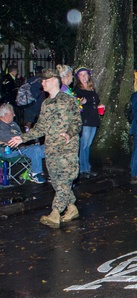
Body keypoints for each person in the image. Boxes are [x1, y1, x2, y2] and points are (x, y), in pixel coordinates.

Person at [6, 68, 82, 228]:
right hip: (51, 148)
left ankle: (55, 213)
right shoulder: (46, 104)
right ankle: (72, 207)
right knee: (56, 180)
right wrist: (22, 137)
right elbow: (40, 128)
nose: (42, 83)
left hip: (66, 149)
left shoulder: (68, 101)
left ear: (54, 81)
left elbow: (77, 122)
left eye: (45, 80)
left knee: (63, 180)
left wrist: (68, 134)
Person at [0, 103, 46, 183]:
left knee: (49, 148)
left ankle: (30, 172)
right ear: (6, 114)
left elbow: (22, 137)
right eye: (12, 113)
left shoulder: (13, 124)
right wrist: (27, 144)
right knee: (36, 150)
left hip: (23, 148)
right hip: (10, 151)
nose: (14, 115)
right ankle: (35, 174)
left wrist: (30, 143)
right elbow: (10, 141)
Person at [74, 67, 100, 179]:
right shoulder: (77, 90)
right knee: (83, 144)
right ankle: (83, 169)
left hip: (93, 119)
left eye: (85, 74)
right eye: (81, 75)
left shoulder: (91, 89)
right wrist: (81, 102)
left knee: (88, 145)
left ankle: (87, 167)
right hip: (84, 120)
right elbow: (76, 103)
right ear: (78, 77)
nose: (84, 77)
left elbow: (96, 101)